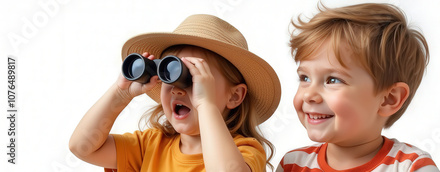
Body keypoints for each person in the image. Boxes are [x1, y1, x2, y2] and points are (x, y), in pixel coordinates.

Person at [69, 14, 281, 172]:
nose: (178, 89)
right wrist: (121, 94)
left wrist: (205, 104)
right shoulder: (150, 145)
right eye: (169, 74)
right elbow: (82, 147)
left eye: (193, 78)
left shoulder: (244, 151)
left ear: (234, 96)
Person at [277, 3, 439, 172]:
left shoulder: (411, 167)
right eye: (305, 78)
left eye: (333, 80)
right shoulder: (292, 165)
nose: (309, 95)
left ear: (389, 99)